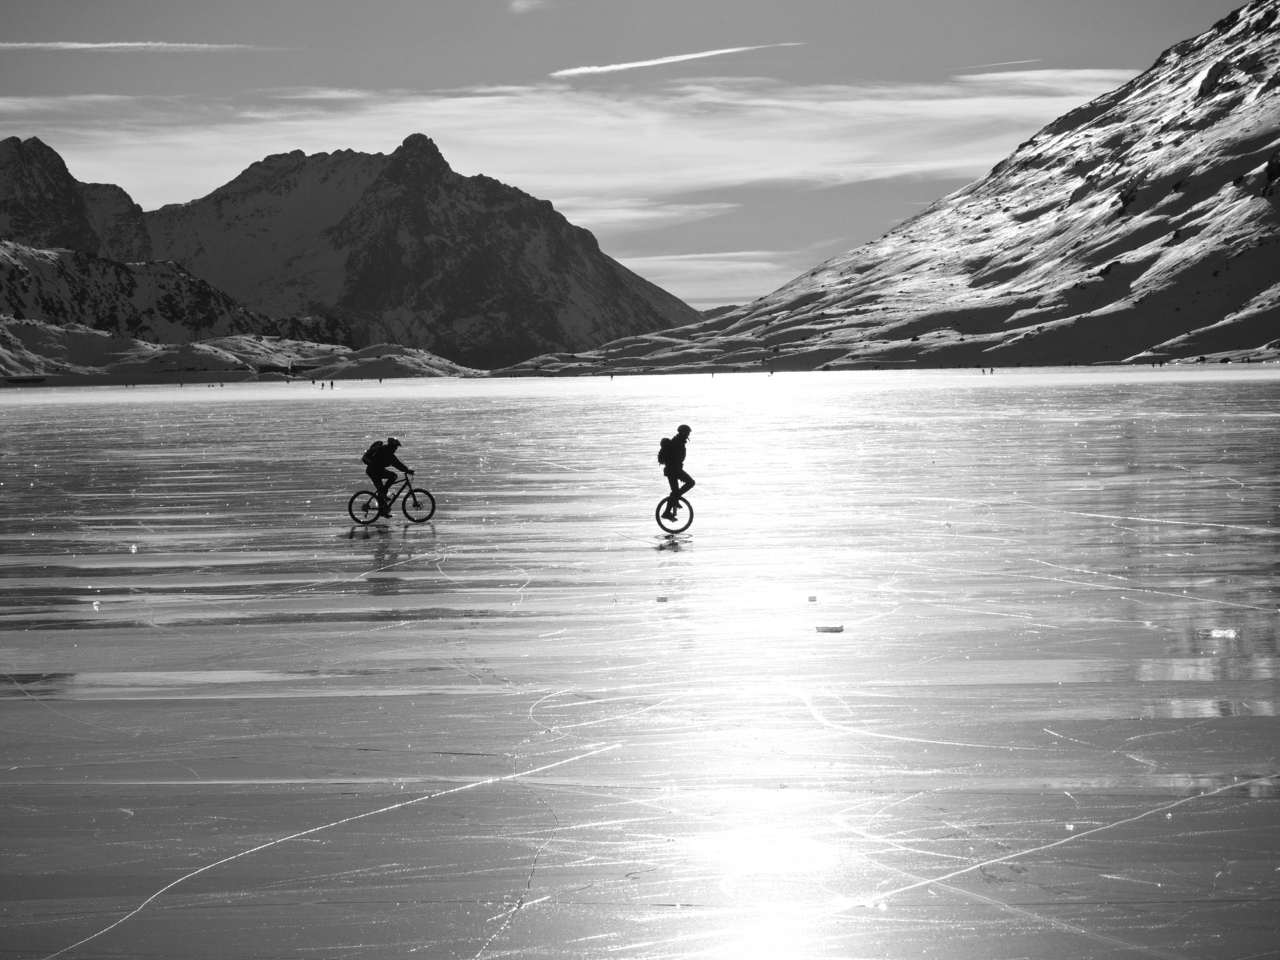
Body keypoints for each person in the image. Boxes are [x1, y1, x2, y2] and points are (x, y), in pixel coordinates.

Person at [363, 437, 413, 518]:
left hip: (376, 470)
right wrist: (406, 470)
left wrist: (406, 470)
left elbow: (396, 463)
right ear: (392, 446)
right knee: (392, 476)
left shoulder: (386, 450)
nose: (396, 449)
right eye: (395, 447)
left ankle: (383, 510)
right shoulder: (387, 452)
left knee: (382, 490)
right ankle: (382, 498)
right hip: (373, 471)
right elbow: (397, 463)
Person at [660, 424, 695, 520]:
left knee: (675, 492)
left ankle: (671, 504)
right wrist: (678, 471)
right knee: (691, 482)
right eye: (688, 433)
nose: (688, 435)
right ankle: (671, 505)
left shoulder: (679, 441)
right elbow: (676, 459)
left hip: (673, 470)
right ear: (684, 432)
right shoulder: (678, 442)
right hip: (673, 470)